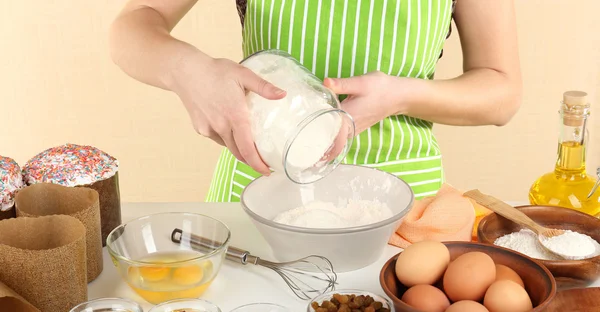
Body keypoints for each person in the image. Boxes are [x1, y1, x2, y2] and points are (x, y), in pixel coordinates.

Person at [109, 0, 521, 202]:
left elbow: (501, 90)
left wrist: (400, 97)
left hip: (403, 215)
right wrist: (189, 72)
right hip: (260, 196)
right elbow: (132, 26)